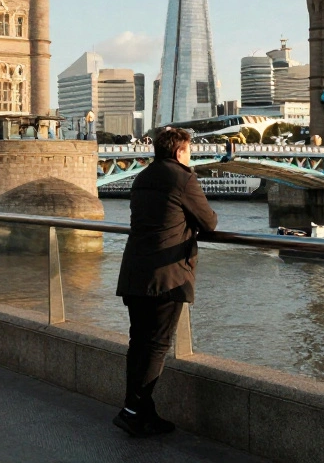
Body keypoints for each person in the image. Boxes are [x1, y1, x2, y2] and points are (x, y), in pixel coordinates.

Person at [113, 127, 218, 437]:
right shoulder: (183, 177)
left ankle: (143, 411)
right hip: (166, 276)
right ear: (178, 153)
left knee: (139, 343)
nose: (192, 156)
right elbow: (209, 222)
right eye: (189, 150)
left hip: (135, 272)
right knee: (156, 346)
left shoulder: (142, 178)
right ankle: (133, 411)